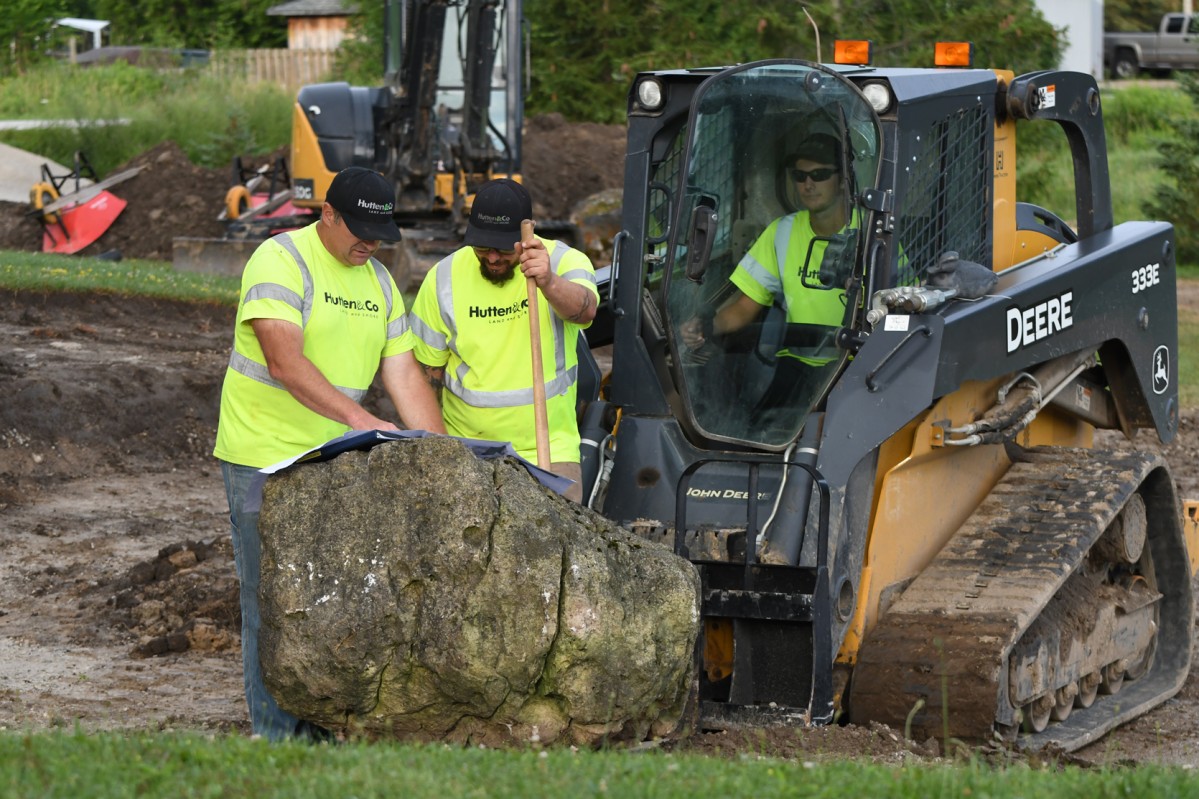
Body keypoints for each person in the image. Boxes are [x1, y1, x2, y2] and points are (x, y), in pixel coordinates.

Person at [213, 166, 446, 741]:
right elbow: (283, 361)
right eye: (357, 229)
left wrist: (448, 452)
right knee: (267, 600)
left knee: (325, 598)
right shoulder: (279, 260)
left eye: (378, 232)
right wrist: (361, 420)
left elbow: (406, 377)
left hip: (331, 463)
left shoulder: (381, 284)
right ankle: (278, 737)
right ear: (328, 213)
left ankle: (316, 731)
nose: (367, 243)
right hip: (261, 456)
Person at [409, 178, 599, 502]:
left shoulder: (565, 261)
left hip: (549, 450)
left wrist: (548, 282)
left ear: (528, 234)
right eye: (483, 247)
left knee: (556, 549)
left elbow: (586, 311)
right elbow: (427, 376)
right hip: (468, 451)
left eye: (503, 248)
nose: (493, 258)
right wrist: (439, 450)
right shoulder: (442, 278)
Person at [681, 134, 852, 408]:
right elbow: (745, 307)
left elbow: (899, 305)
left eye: (819, 175)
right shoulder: (781, 232)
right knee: (764, 429)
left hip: (856, 363)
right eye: (799, 176)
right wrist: (704, 328)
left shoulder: (873, 234)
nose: (808, 184)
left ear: (844, 181)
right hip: (797, 362)